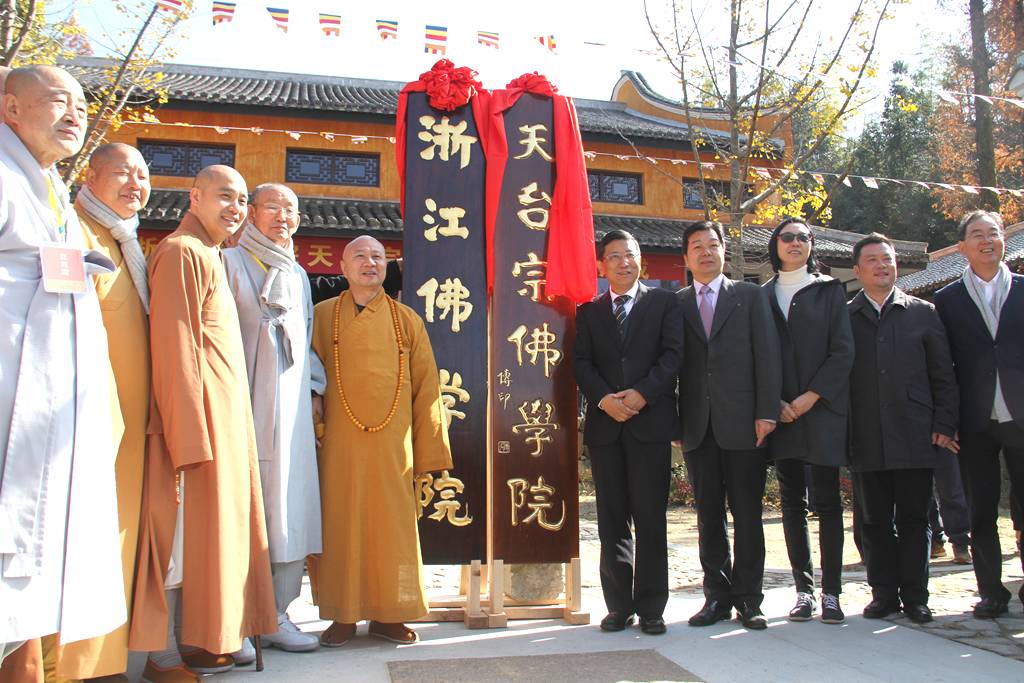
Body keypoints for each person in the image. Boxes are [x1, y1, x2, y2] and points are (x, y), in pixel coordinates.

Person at [129, 165, 276, 682]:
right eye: (224, 197)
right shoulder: (180, 253)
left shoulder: (207, 253)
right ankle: (164, 653)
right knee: (181, 545)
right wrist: (189, 435)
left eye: (241, 200)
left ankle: (207, 639)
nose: (234, 208)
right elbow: (175, 346)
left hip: (224, 419)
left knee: (215, 539)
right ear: (194, 197)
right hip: (199, 427)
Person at [0, 64, 124, 669]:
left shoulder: (46, 186)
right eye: (57, 101)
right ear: (11, 109)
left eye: (81, 103)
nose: (76, 113)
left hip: (50, 405)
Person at [310, 235, 452, 647]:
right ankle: (341, 614)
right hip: (336, 442)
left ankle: (392, 613)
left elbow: (427, 387)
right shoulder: (321, 316)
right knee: (339, 526)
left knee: (394, 528)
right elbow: (305, 377)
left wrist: (429, 450)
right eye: (360, 256)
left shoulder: (406, 319)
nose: (369, 263)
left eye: (377, 257)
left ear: (387, 268)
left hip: (394, 444)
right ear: (343, 266)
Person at [47, 143, 152, 681]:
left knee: (117, 538)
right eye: (122, 173)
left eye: (143, 174)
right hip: (85, 419)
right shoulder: (68, 228)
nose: (135, 184)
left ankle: (106, 660)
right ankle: (67, 665)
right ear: (91, 174)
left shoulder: (126, 240)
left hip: (129, 429)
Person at [223, 182, 323, 654]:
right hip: (244, 404)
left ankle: (277, 613)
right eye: (272, 207)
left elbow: (305, 342)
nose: (282, 216)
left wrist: (315, 389)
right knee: (243, 509)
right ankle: (237, 616)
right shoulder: (228, 264)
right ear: (250, 214)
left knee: (289, 507)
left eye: (291, 209)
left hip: (293, 416)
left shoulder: (299, 276)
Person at [573, 229, 684, 635]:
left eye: (630, 255)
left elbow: (673, 356)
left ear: (642, 261)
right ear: (602, 265)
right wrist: (605, 400)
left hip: (649, 425)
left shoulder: (665, 303)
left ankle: (653, 606)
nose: (624, 262)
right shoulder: (589, 312)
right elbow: (581, 362)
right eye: (615, 256)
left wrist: (641, 395)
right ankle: (619, 606)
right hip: (607, 429)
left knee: (651, 519)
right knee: (612, 520)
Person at [848, 233, 959, 624]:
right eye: (873, 260)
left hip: (915, 431)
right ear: (858, 269)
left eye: (888, 259)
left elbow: (942, 374)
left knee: (915, 520)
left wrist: (945, 422)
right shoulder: (845, 317)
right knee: (874, 521)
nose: (882, 266)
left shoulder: (922, 313)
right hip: (864, 434)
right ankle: (883, 594)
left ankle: (915, 596)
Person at [676, 220, 782, 630]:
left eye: (712, 245)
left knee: (748, 514)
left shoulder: (751, 297)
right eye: (696, 246)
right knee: (708, 517)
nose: (705, 252)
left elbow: (768, 356)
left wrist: (767, 411)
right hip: (698, 427)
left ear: (723, 250)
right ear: (686, 257)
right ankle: (716, 598)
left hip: (744, 423)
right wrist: (675, 422)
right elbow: (672, 364)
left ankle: (749, 599)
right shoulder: (678, 303)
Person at [762, 217, 854, 624]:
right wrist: (776, 401)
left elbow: (842, 351)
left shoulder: (829, 291)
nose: (796, 242)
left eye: (803, 237)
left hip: (821, 410)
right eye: (788, 237)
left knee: (828, 503)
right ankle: (804, 590)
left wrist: (809, 397)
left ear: (811, 244)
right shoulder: (760, 295)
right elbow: (756, 355)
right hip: (780, 413)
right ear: (775, 245)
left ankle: (832, 591)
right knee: (791, 505)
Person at [935, 210, 1024, 619]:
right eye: (977, 235)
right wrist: (946, 421)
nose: (987, 240)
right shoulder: (947, 300)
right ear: (962, 246)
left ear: (1003, 240)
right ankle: (991, 591)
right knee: (981, 508)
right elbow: (942, 367)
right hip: (974, 421)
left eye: (994, 233)